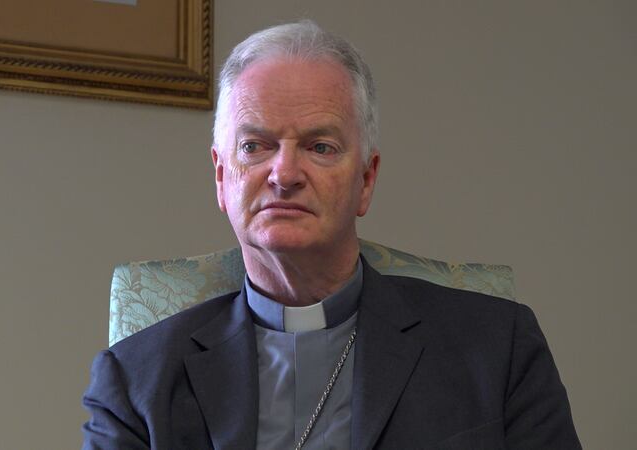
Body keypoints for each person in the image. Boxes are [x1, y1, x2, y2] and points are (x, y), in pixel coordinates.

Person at [82, 20, 581, 449]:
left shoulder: (497, 348)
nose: (284, 173)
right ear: (221, 176)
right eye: (255, 145)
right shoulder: (134, 381)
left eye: (320, 147)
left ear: (366, 179)